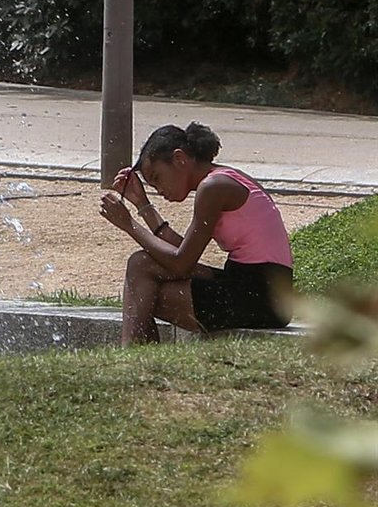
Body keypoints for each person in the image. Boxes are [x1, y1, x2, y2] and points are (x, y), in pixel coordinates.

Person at [99, 122, 294, 346]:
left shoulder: (213, 188)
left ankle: (134, 357)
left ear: (180, 159)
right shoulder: (222, 177)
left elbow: (181, 263)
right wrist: (143, 204)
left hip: (263, 301)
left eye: (157, 178)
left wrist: (129, 224)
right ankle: (137, 356)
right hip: (248, 285)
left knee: (144, 292)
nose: (159, 190)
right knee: (141, 263)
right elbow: (184, 253)